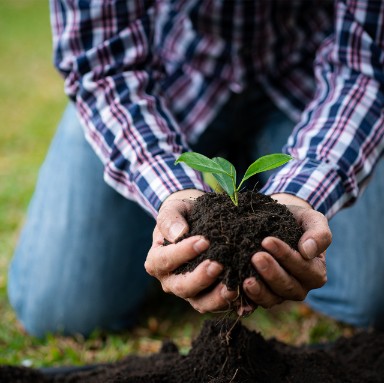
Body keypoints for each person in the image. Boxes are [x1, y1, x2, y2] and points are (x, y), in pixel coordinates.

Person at [7, 0, 384, 337]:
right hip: (163, 85)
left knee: (369, 296)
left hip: (311, 88)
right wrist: (174, 193)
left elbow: (368, 66)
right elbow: (103, 66)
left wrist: (299, 194)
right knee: (59, 309)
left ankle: (259, 174)